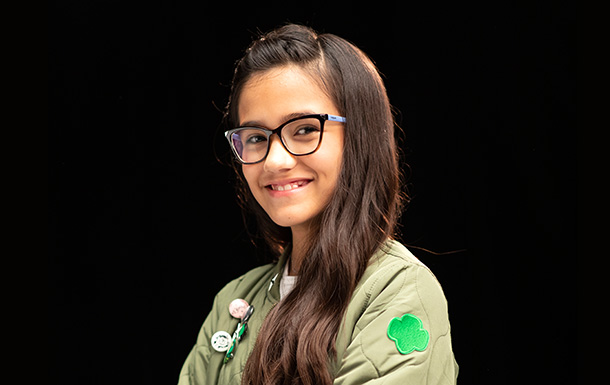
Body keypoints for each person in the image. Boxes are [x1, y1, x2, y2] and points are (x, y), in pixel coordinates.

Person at [178, 24, 458, 385]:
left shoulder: (398, 291)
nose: (274, 160)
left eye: (305, 129)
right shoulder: (234, 303)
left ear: (360, 135)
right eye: (256, 137)